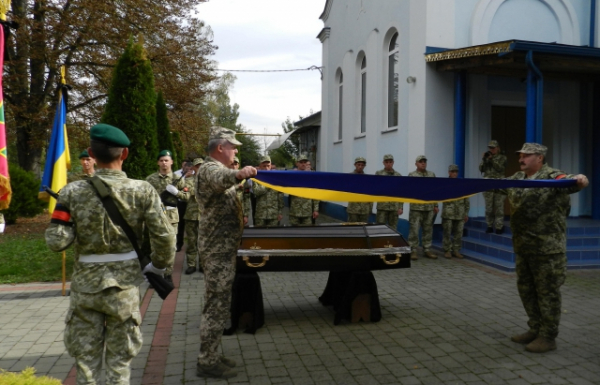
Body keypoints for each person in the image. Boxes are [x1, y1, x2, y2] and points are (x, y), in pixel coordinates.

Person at [45, 123, 175, 384]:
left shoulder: (72, 192)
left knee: (86, 365)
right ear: (124, 154)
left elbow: (57, 242)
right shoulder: (143, 190)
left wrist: (69, 220)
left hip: (85, 289)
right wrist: (158, 267)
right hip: (124, 288)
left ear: (91, 154)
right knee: (119, 365)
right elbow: (165, 237)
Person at [497, 143, 588, 353]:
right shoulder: (518, 179)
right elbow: (494, 184)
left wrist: (580, 179)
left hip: (547, 249)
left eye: (526, 156)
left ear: (539, 158)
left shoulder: (552, 176)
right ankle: (535, 328)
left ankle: (548, 336)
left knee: (547, 293)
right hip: (523, 246)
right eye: (520, 155)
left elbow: (570, 182)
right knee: (527, 291)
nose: (521, 159)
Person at [195, 126, 257, 378]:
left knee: (220, 304)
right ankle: (207, 362)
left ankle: (212, 353)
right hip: (216, 251)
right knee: (216, 305)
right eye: (233, 147)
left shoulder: (222, 169)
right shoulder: (211, 169)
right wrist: (240, 174)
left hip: (224, 249)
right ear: (220, 148)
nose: (235, 151)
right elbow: (221, 180)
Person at [146, 150, 189, 283]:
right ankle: (157, 275)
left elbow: (187, 197)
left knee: (171, 247)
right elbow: (144, 198)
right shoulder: (150, 179)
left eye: (166, 160)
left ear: (171, 162)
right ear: (158, 163)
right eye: (161, 160)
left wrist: (177, 193)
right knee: (155, 247)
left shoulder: (177, 179)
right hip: (155, 216)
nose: (164, 163)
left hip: (171, 216)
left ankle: (168, 274)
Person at [408, 155, 439, 260]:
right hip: (416, 208)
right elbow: (407, 191)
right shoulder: (412, 175)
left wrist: (435, 205)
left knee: (428, 229)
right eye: (420, 162)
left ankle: (427, 249)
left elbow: (435, 191)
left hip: (429, 208)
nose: (423, 163)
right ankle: (413, 250)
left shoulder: (431, 175)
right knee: (414, 230)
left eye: (424, 162)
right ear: (416, 163)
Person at [479, 140, 507, 234]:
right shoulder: (487, 157)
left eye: (493, 148)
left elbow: (500, 168)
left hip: (499, 184)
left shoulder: (502, 157)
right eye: (490, 148)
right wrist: (484, 159)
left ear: (498, 148)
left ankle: (499, 226)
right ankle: (489, 225)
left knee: (499, 206)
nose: (491, 150)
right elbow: (481, 169)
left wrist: (492, 159)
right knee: (489, 207)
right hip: (488, 184)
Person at [441, 165, 469, 259]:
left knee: (459, 233)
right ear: (449, 172)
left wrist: (466, 213)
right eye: (453, 172)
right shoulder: (445, 184)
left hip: (460, 213)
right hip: (448, 213)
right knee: (447, 232)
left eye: (456, 172)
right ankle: (447, 250)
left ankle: (456, 250)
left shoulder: (461, 184)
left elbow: (466, 199)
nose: (454, 173)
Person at [183, 158, 203, 275]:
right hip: (191, 215)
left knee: (203, 242)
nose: (200, 168)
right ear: (194, 168)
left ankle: (202, 264)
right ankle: (191, 265)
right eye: (197, 166)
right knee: (191, 241)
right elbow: (188, 191)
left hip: (205, 216)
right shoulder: (189, 179)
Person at [252, 155, 283, 226]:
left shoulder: (276, 178)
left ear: (271, 166)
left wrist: (280, 212)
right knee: (259, 236)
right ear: (260, 166)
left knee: (273, 236)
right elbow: (256, 192)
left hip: (274, 214)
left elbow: (280, 197)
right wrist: (269, 185)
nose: (266, 168)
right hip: (260, 214)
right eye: (264, 166)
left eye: (268, 166)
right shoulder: (256, 178)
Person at [288, 153, 319, 226]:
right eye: (301, 162)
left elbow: (315, 194)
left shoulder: (312, 177)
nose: (303, 164)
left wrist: (316, 210)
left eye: (305, 162)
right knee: (294, 234)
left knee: (307, 234)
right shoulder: (292, 176)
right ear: (297, 163)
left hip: (307, 211)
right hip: (294, 211)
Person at [375, 154, 403, 228]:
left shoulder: (398, 175)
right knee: (380, 227)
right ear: (383, 163)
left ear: (393, 162)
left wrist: (400, 207)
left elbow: (401, 192)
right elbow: (375, 189)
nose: (388, 164)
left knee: (393, 228)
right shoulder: (378, 174)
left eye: (390, 162)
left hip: (394, 207)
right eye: (386, 162)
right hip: (382, 207)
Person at [346, 157, 373, 222]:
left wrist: (370, 209)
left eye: (362, 165)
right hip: (353, 209)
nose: (360, 167)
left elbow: (370, 194)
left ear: (364, 166)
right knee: (353, 229)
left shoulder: (367, 179)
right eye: (358, 165)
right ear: (355, 165)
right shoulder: (349, 177)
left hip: (364, 210)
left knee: (363, 229)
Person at [176, 161, 193, 251]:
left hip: (192, 203)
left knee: (192, 225)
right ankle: (179, 244)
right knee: (180, 224)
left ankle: (192, 245)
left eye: (191, 169)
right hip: (180, 202)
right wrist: (185, 178)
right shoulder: (176, 174)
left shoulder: (195, 174)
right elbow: (174, 186)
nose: (189, 171)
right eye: (187, 169)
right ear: (183, 168)